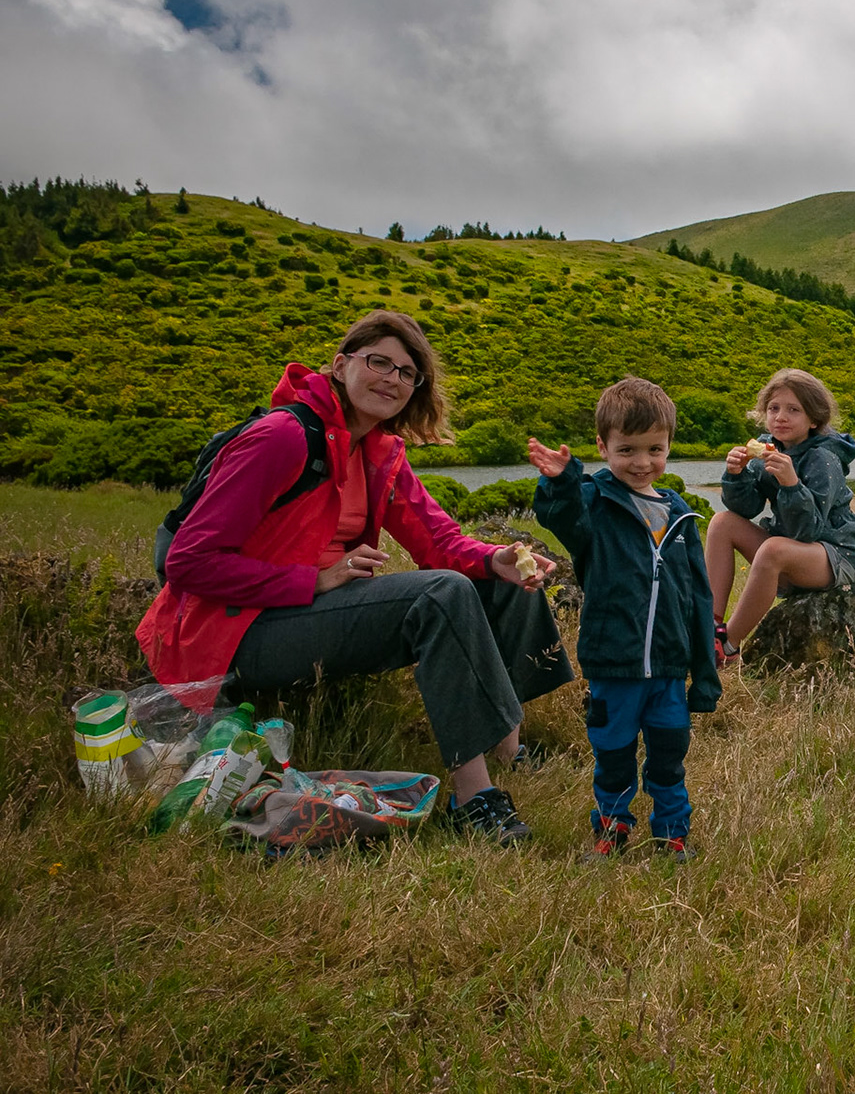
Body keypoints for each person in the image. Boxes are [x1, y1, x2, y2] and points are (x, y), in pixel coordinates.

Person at [135, 310, 572, 846]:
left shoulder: (379, 452)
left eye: (407, 372)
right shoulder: (283, 437)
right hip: (236, 633)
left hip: (305, 616)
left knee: (500, 576)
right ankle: (474, 798)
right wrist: (312, 580)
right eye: (379, 362)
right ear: (341, 366)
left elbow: (438, 541)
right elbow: (188, 560)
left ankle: (509, 749)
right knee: (443, 592)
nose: (393, 379)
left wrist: (495, 557)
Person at [528, 378, 719, 861]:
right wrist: (561, 480)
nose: (641, 462)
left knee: (669, 758)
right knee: (612, 757)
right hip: (613, 665)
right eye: (627, 449)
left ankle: (672, 835)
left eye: (655, 449)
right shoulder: (594, 501)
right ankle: (611, 833)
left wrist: (705, 663)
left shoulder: (679, 514)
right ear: (602, 446)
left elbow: (698, 595)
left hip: (669, 668)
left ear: (670, 445)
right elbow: (559, 516)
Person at [708, 368, 855, 661]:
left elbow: (809, 532)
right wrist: (736, 475)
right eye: (773, 408)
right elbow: (747, 509)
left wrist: (791, 485)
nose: (781, 417)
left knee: (773, 549)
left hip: (835, 555)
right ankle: (711, 624)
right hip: (790, 550)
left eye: (794, 410)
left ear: (814, 419)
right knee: (722, 523)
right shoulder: (769, 449)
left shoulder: (823, 459)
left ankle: (727, 646)